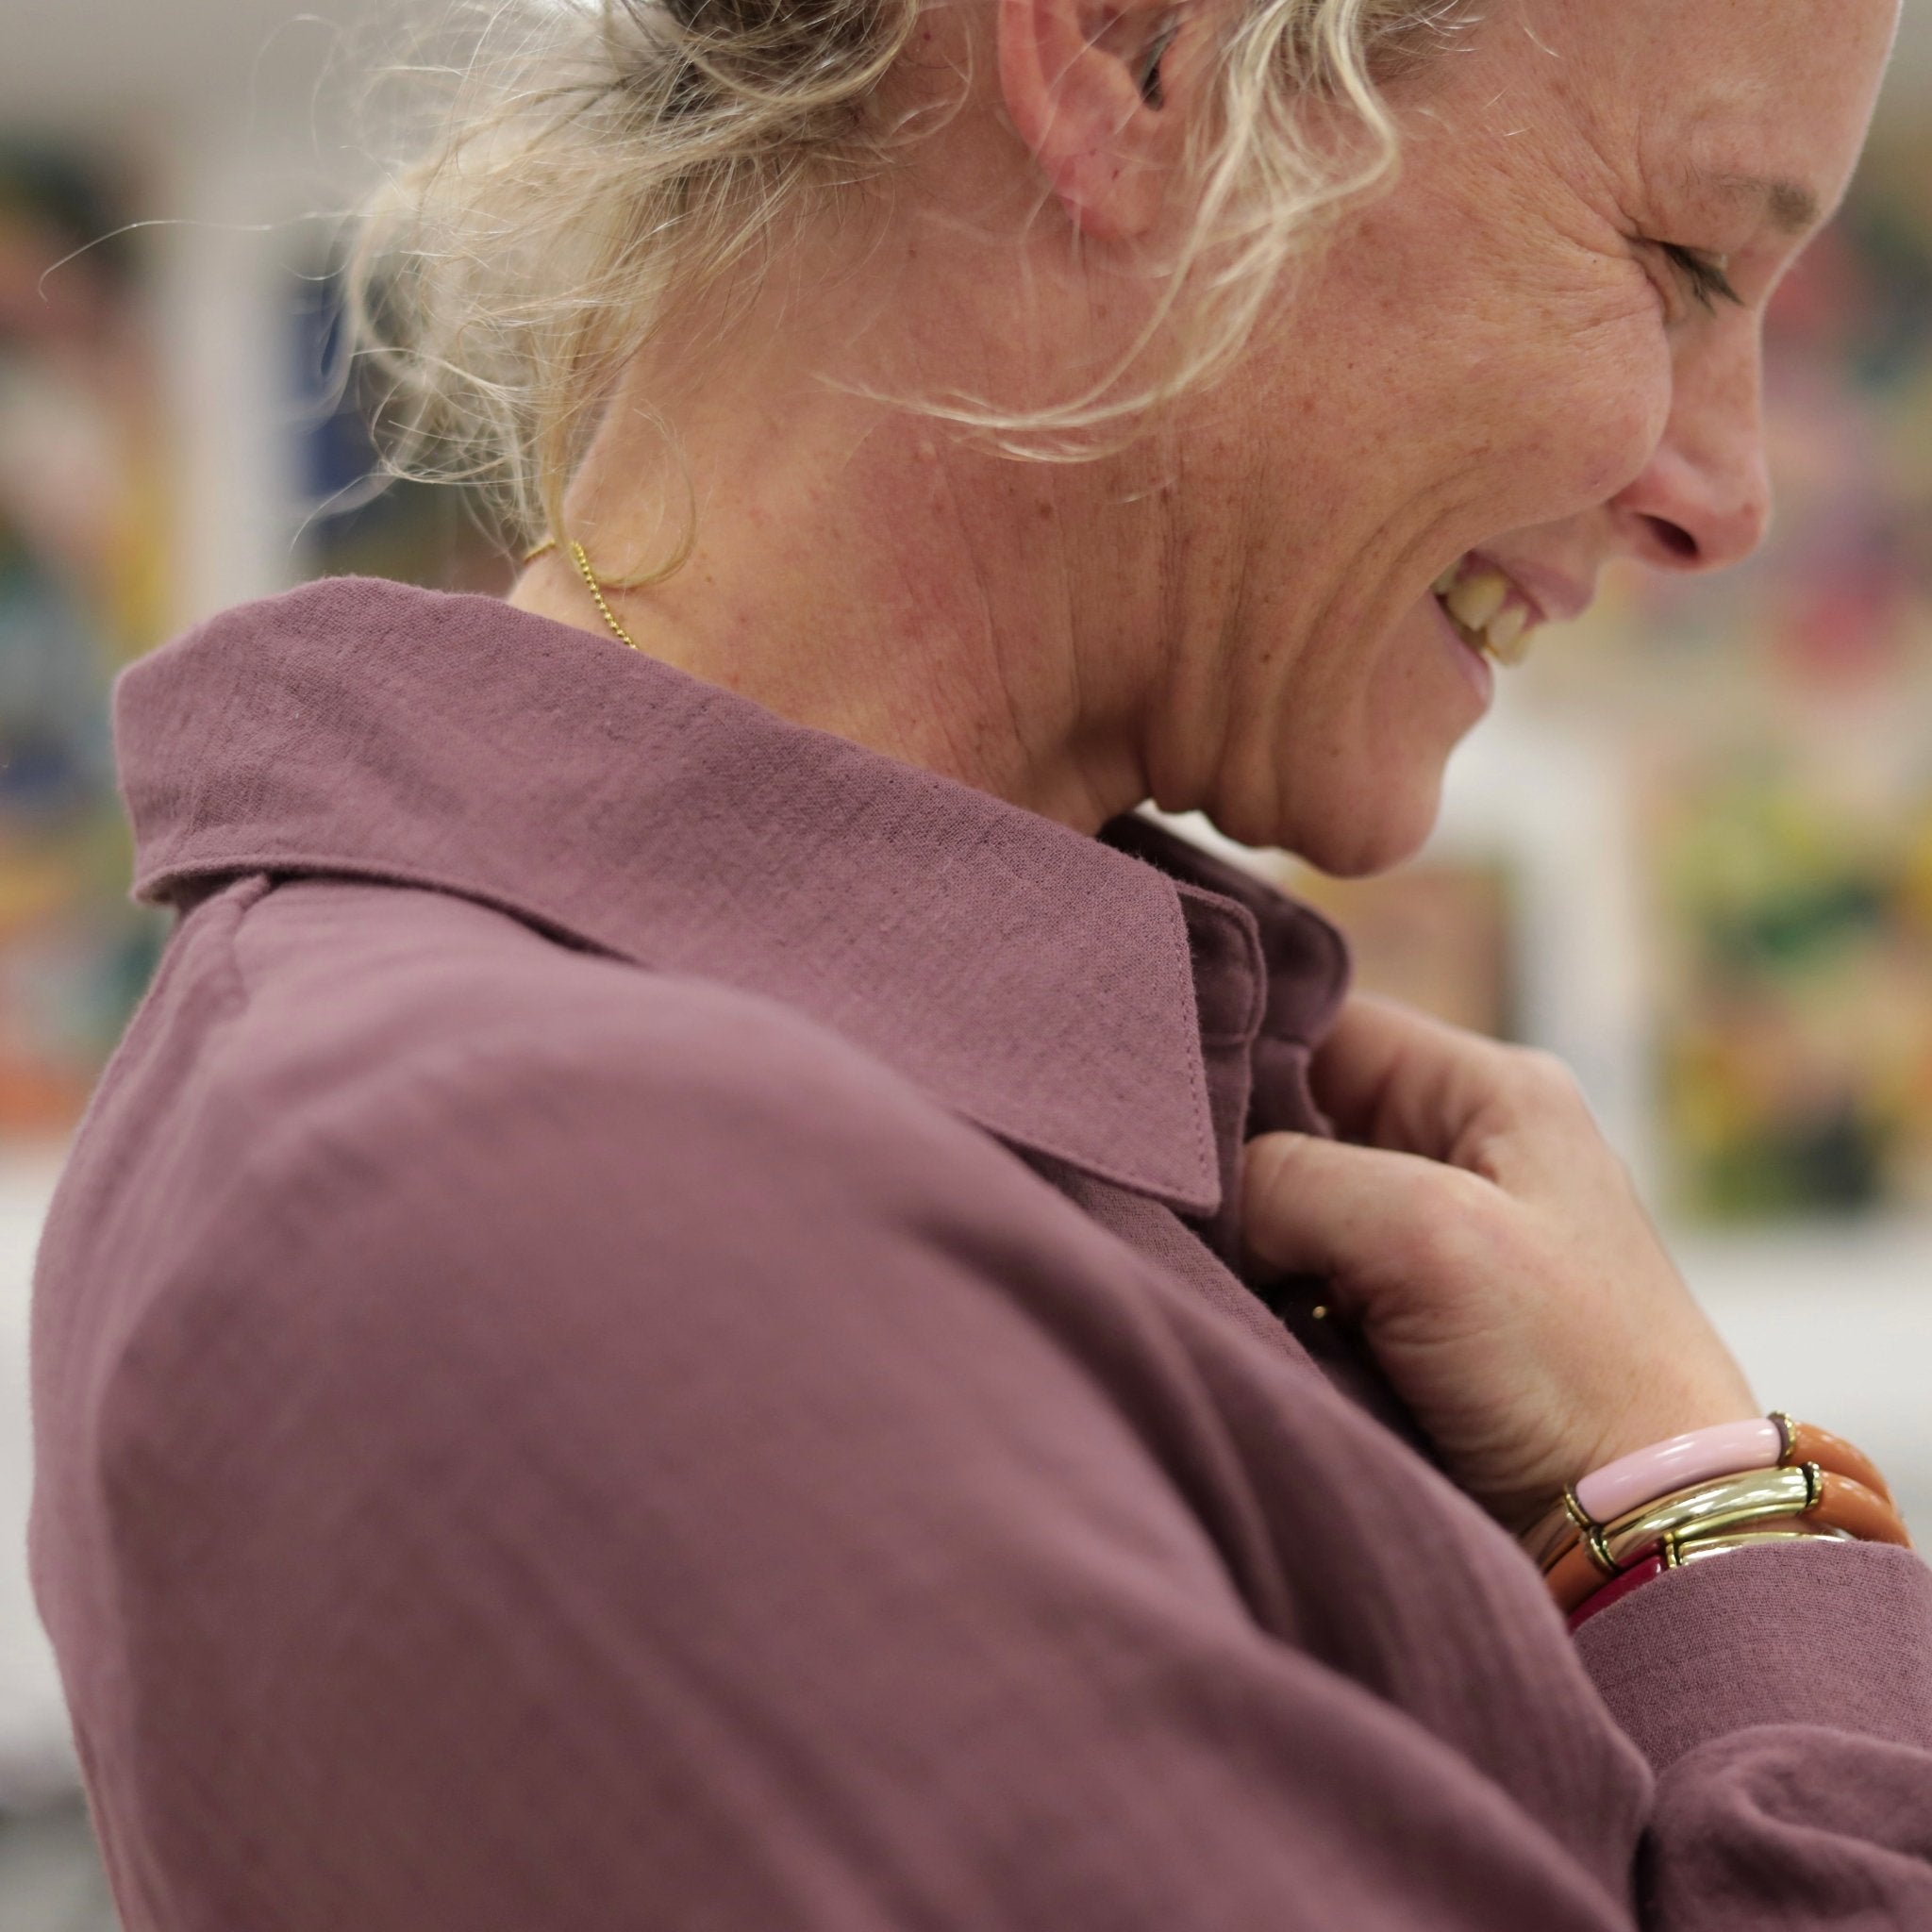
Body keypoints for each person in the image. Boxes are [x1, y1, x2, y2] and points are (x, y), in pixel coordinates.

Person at [28, 0, 1929, 1925]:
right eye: (1683, 257)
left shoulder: (698, 1128)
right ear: (1130, 56)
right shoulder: (570, 1208)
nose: (1727, 494)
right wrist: (1707, 1513)